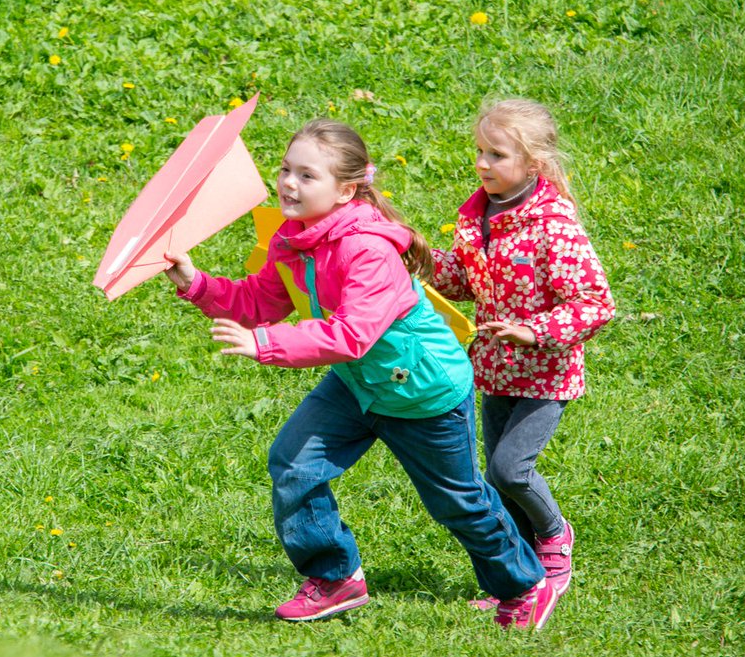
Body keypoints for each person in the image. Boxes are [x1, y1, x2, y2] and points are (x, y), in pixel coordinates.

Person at [163, 118, 555, 629]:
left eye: (307, 176)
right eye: (286, 169)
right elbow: (262, 300)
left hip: (421, 391)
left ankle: (524, 584)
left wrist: (264, 344)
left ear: (346, 189)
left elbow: (353, 334)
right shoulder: (293, 238)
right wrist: (197, 284)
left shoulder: (365, 247)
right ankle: (335, 578)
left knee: (457, 504)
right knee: (294, 465)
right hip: (356, 384)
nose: (288, 183)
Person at [432, 98, 615, 607]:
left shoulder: (553, 225)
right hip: (493, 369)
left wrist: (533, 332)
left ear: (533, 164)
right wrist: (417, 259)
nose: (482, 164)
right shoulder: (479, 215)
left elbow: (595, 303)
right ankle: (519, 578)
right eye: (479, 151)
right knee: (497, 481)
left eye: (496, 155)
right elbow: (464, 281)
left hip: (544, 374)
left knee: (509, 471)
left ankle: (555, 536)